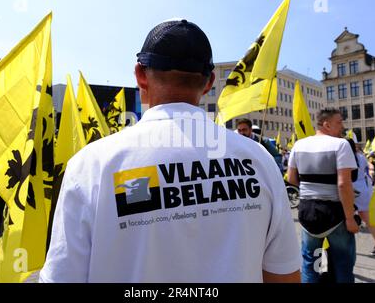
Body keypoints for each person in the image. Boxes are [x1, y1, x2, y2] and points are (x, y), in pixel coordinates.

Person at [41, 19, 301, 283]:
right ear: (210, 81)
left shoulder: (91, 165)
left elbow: (63, 277)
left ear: (140, 75)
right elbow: (284, 275)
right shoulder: (259, 160)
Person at [287, 108, 359, 283]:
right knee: (342, 264)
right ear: (326, 124)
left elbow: (291, 179)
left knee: (310, 263)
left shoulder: (299, 145)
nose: (342, 126)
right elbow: (344, 184)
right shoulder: (340, 145)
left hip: (307, 213)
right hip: (335, 213)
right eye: (339, 122)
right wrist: (350, 218)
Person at [350, 139, 375, 256]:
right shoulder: (360, 156)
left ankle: (343, 251)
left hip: (350, 189)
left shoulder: (345, 157)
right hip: (364, 189)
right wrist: (371, 171)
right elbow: (370, 164)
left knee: (345, 221)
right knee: (369, 221)